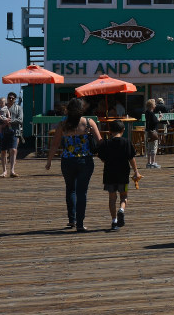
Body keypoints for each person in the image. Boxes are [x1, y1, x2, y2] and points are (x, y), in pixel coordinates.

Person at [45, 98, 102, 232]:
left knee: (70, 189)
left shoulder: (63, 124)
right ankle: (80, 224)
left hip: (67, 161)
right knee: (82, 192)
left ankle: (72, 220)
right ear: (81, 109)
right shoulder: (88, 122)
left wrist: (49, 161)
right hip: (85, 161)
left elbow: (55, 144)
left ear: (68, 109)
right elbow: (100, 141)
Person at [95, 120, 142, 232]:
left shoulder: (106, 143)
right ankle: (121, 209)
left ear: (110, 131)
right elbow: (131, 158)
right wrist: (136, 171)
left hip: (109, 174)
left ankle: (114, 221)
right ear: (123, 130)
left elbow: (101, 157)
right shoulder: (126, 142)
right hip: (123, 174)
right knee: (124, 196)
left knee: (112, 198)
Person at [0, 92, 23, 178]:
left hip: (14, 131)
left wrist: (10, 121)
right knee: (3, 151)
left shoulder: (18, 108)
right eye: (9, 98)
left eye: (12, 98)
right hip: (3, 132)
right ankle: (4, 171)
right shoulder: (2, 108)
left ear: (15, 99)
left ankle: (12, 170)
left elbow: (20, 120)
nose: (10, 99)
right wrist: (2, 123)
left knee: (13, 150)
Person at [144, 98, 163, 169]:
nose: (155, 105)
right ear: (152, 106)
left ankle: (148, 163)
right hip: (153, 132)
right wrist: (160, 117)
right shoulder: (151, 113)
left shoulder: (147, 112)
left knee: (149, 147)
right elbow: (156, 122)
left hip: (148, 131)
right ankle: (153, 162)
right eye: (154, 104)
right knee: (153, 148)